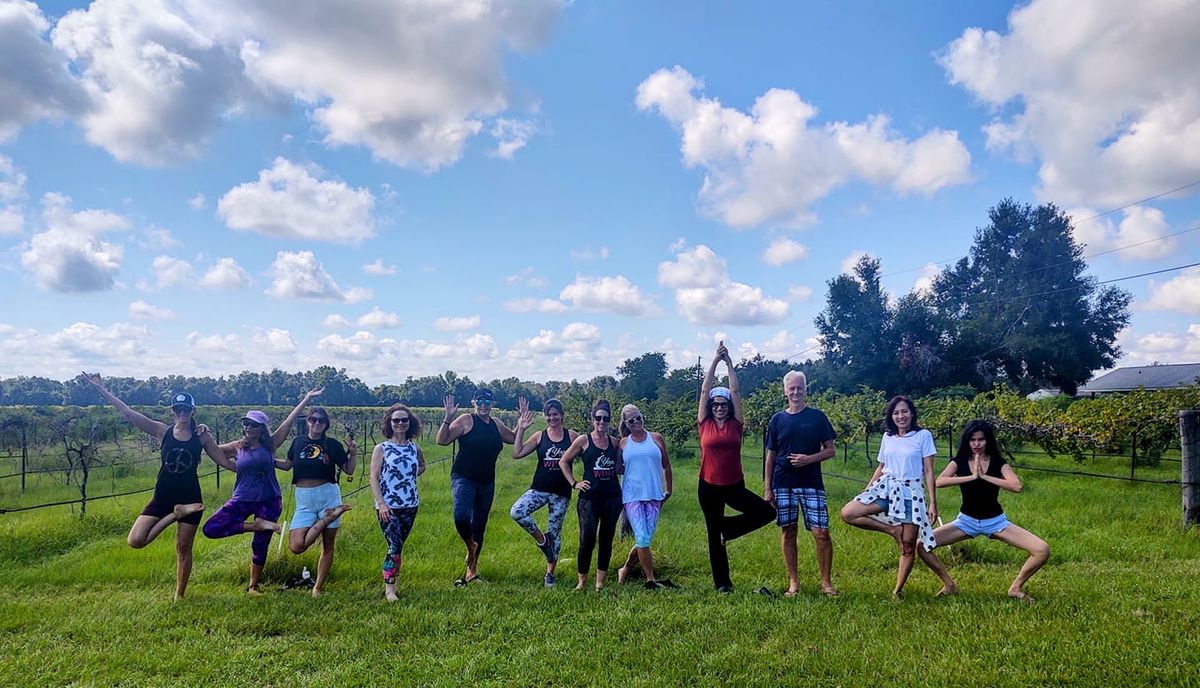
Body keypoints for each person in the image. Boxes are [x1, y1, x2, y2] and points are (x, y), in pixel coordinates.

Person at [79, 373, 230, 601]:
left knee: (183, 549)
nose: (182, 413)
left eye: (186, 410)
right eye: (178, 410)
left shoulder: (202, 436)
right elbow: (129, 413)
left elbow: (223, 461)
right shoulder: (162, 431)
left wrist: (257, 468)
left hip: (190, 497)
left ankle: (179, 595)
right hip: (162, 498)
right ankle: (175, 515)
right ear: (173, 412)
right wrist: (101, 389)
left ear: (193, 412)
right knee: (136, 540)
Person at [201, 388, 323, 594]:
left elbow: (288, 421)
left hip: (269, 499)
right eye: (246, 424)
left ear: (261, 428)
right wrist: (203, 433)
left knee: (260, 545)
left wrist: (306, 399)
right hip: (242, 498)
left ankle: (253, 586)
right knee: (211, 529)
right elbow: (212, 449)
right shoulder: (237, 446)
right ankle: (257, 526)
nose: (248, 427)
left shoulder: (271, 444)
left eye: (253, 425)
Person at [917, 419, 1050, 602]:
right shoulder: (960, 461)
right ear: (967, 441)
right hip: (965, 521)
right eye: (972, 440)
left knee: (1042, 549)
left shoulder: (998, 462)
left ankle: (1016, 587)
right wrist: (971, 477)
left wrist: (985, 476)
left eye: (981, 439)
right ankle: (949, 585)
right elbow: (940, 481)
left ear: (988, 440)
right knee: (922, 545)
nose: (977, 444)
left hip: (996, 522)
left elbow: (1016, 486)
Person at [696, 342, 775, 594]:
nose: (719, 408)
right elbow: (705, 389)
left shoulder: (736, 424)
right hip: (708, 486)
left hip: (733, 486)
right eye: (716, 405)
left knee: (766, 513)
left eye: (723, 405)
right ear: (711, 407)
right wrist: (714, 361)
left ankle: (729, 529)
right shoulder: (704, 423)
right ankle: (722, 584)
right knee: (713, 535)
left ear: (729, 407)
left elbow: (736, 391)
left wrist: (729, 363)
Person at [840, 395, 938, 599]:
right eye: (896, 413)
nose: (900, 416)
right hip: (887, 488)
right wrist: (867, 490)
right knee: (849, 513)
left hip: (911, 493)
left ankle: (897, 590)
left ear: (912, 413)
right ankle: (892, 529)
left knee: (909, 544)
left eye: (904, 411)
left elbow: (928, 471)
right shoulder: (888, 437)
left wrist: (933, 503)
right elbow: (881, 466)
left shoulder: (923, 436)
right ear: (891, 416)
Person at [763, 371, 838, 597]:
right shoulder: (777, 420)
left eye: (800, 388)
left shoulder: (817, 417)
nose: (796, 392)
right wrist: (768, 487)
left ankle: (826, 582)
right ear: (785, 391)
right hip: (783, 482)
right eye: (792, 388)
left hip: (811, 483)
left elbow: (831, 450)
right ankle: (793, 582)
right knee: (789, 531)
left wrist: (809, 459)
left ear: (805, 389)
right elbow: (771, 456)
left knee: (821, 532)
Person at [436, 388, 516, 586]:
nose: (483, 405)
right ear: (473, 402)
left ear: (493, 403)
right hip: (464, 477)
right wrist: (447, 418)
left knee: (479, 524)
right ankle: (470, 546)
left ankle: (471, 571)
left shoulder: (496, 424)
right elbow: (442, 440)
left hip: (487, 481)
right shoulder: (466, 420)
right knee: (461, 516)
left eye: (487, 402)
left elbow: (513, 438)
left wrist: (521, 425)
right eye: (479, 401)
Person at [277, 405, 357, 597]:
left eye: (321, 420)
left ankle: (317, 587)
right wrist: (264, 458)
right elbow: (287, 465)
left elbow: (349, 470)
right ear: (307, 421)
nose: (317, 423)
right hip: (304, 499)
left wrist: (353, 454)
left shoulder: (333, 445)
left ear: (326, 424)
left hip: (327, 494)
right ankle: (327, 519)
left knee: (328, 544)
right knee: (296, 546)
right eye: (313, 419)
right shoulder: (297, 442)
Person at [510, 397, 577, 587]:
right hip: (539, 489)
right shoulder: (540, 436)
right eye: (548, 415)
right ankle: (541, 539)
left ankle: (550, 573)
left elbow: (588, 451)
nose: (552, 418)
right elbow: (517, 453)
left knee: (555, 532)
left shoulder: (571, 436)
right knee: (517, 512)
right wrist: (521, 428)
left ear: (562, 415)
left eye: (555, 414)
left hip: (561, 493)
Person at [559, 399, 623, 591]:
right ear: (592, 419)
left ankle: (600, 582)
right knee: (587, 539)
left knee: (606, 538)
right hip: (589, 499)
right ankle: (582, 581)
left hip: (612, 498)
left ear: (610, 420)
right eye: (598, 418)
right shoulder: (583, 440)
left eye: (605, 418)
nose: (601, 422)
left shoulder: (614, 442)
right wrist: (574, 483)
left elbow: (620, 468)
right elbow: (564, 461)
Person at [369, 403, 426, 602]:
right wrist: (381, 503)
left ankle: (393, 581)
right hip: (388, 506)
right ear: (389, 423)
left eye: (404, 420)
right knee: (394, 545)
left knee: (398, 546)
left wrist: (407, 476)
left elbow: (422, 466)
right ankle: (389, 589)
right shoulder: (381, 448)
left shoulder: (414, 447)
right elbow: (373, 477)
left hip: (410, 505)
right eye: (396, 420)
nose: (400, 423)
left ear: (409, 423)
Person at [615, 403, 675, 589]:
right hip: (632, 495)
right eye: (631, 420)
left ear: (642, 417)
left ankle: (624, 569)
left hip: (655, 495)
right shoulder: (624, 443)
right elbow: (617, 468)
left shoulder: (656, 438)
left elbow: (666, 465)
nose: (636, 422)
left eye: (638, 417)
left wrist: (668, 490)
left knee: (645, 538)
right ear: (626, 423)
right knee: (641, 537)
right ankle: (650, 579)